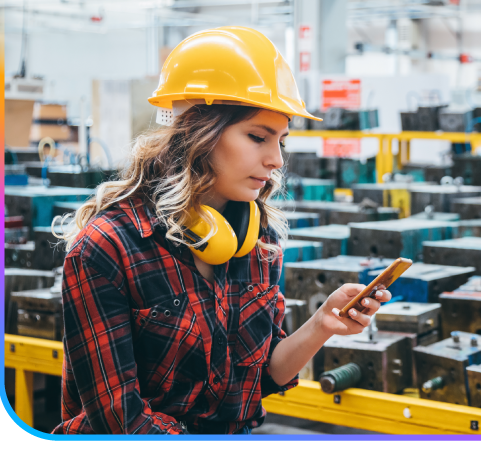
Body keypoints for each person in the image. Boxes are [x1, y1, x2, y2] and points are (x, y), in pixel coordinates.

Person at [51, 26, 391, 434]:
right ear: (198, 132)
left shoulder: (256, 236)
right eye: (257, 137)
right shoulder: (107, 248)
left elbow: (260, 378)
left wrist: (322, 323)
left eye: (281, 140)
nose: (276, 160)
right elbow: (120, 418)